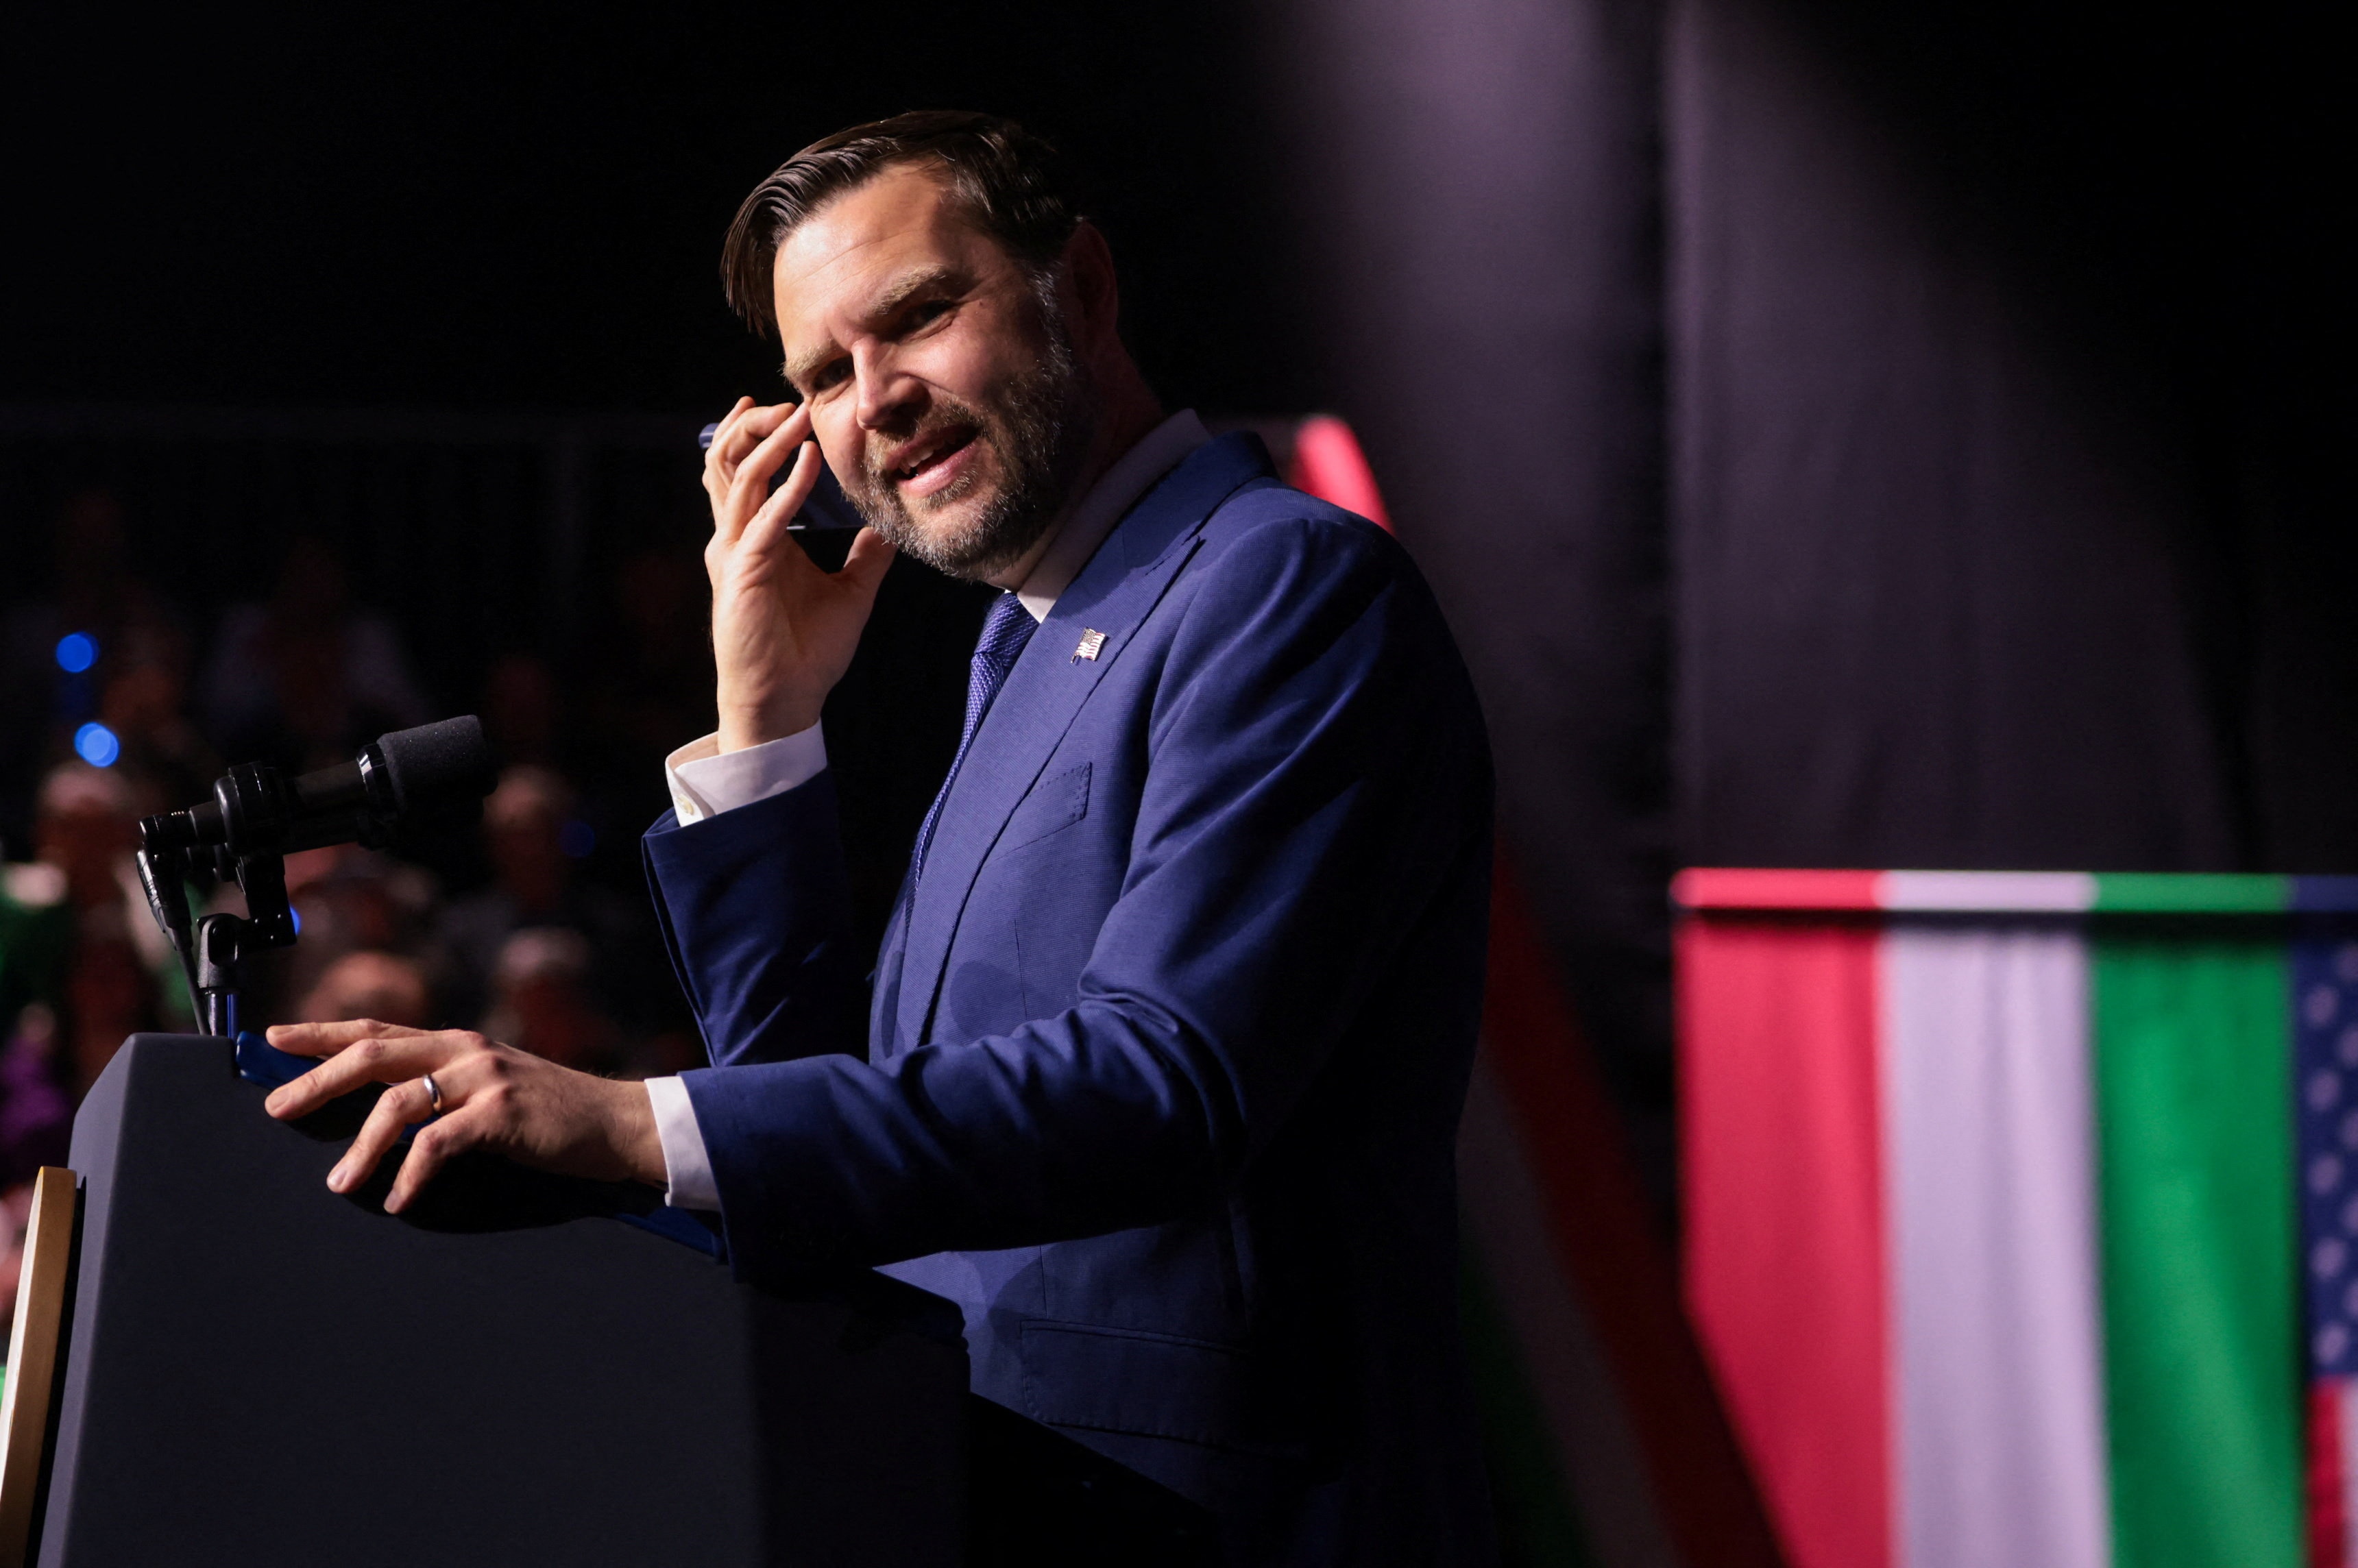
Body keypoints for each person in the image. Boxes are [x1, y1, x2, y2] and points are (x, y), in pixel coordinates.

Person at [263, 112, 1495, 1564]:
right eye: (821, 376)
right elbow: (833, 1130)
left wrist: (624, 1121)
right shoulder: (1024, 647)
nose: (875, 403)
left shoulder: (1282, 584)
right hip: (979, 1486)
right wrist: (766, 720)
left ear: (1079, 287)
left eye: (918, 315)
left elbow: (1166, 1082)